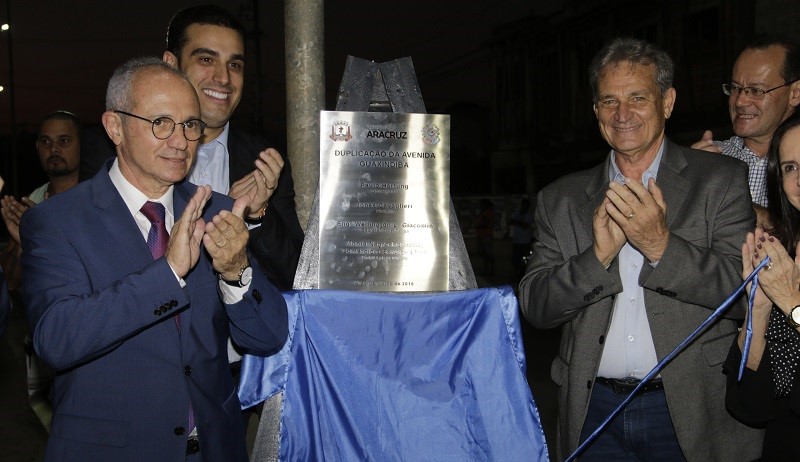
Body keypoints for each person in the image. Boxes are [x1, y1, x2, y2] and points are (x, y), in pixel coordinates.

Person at [19, 57, 288, 461]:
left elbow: (269, 337)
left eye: (191, 125)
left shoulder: (216, 211)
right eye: (161, 122)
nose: (180, 141)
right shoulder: (56, 221)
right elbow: (57, 339)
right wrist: (168, 272)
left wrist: (236, 272)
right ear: (115, 127)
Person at [518, 37, 763, 461]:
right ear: (596, 112)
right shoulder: (561, 198)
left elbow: (747, 293)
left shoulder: (720, 180)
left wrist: (661, 246)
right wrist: (595, 260)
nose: (622, 114)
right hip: (594, 410)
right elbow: (536, 306)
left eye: (637, 98)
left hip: (691, 410)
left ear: (667, 102)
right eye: (608, 101)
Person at [79, 4, 304, 293]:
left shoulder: (264, 163)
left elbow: (296, 277)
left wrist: (256, 215)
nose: (223, 78)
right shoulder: (113, 150)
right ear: (171, 63)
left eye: (235, 64)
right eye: (207, 59)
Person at [0, 110, 82, 431]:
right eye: (46, 142)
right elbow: (11, 281)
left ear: (80, 146)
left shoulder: (99, 200)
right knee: (52, 430)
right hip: (38, 344)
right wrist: (23, 242)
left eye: (64, 140)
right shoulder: (33, 200)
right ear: (37, 148)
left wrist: (41, 238)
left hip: (82, 345)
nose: (55, 149)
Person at [725, 113, 800, 461]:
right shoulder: (784, 252)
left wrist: (790, 302)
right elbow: (748, 406)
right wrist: (758, 309)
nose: (799, 179)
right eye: (789, 167)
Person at [692, 36, 800, 229]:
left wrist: (764, 218)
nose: (740, 101)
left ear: (795, 93)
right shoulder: (710, 157)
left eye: (756, 90)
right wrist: (688, 185)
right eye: (735, 88)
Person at [508, 197, 533, 282]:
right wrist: (520, 222)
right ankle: (517, 275)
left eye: (526, 206)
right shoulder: (517, 213)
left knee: (525, 261)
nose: (524, 207)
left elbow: (525, 226)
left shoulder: (529, 215)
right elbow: (510, 221)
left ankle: (522, 276)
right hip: (517, 241)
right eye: (523, 205)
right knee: (515, 260)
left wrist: (517, 222)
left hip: (526, 242)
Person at [474, 198, 495, 276]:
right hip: (485, 236)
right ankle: (489, 270)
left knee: (487, 254)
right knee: (487, 254)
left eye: (481, 205)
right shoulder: (487, 213)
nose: (480, 206)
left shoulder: (487, 213)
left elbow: (484, 224)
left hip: (486, 236)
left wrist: (477, 226)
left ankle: (489, 271)